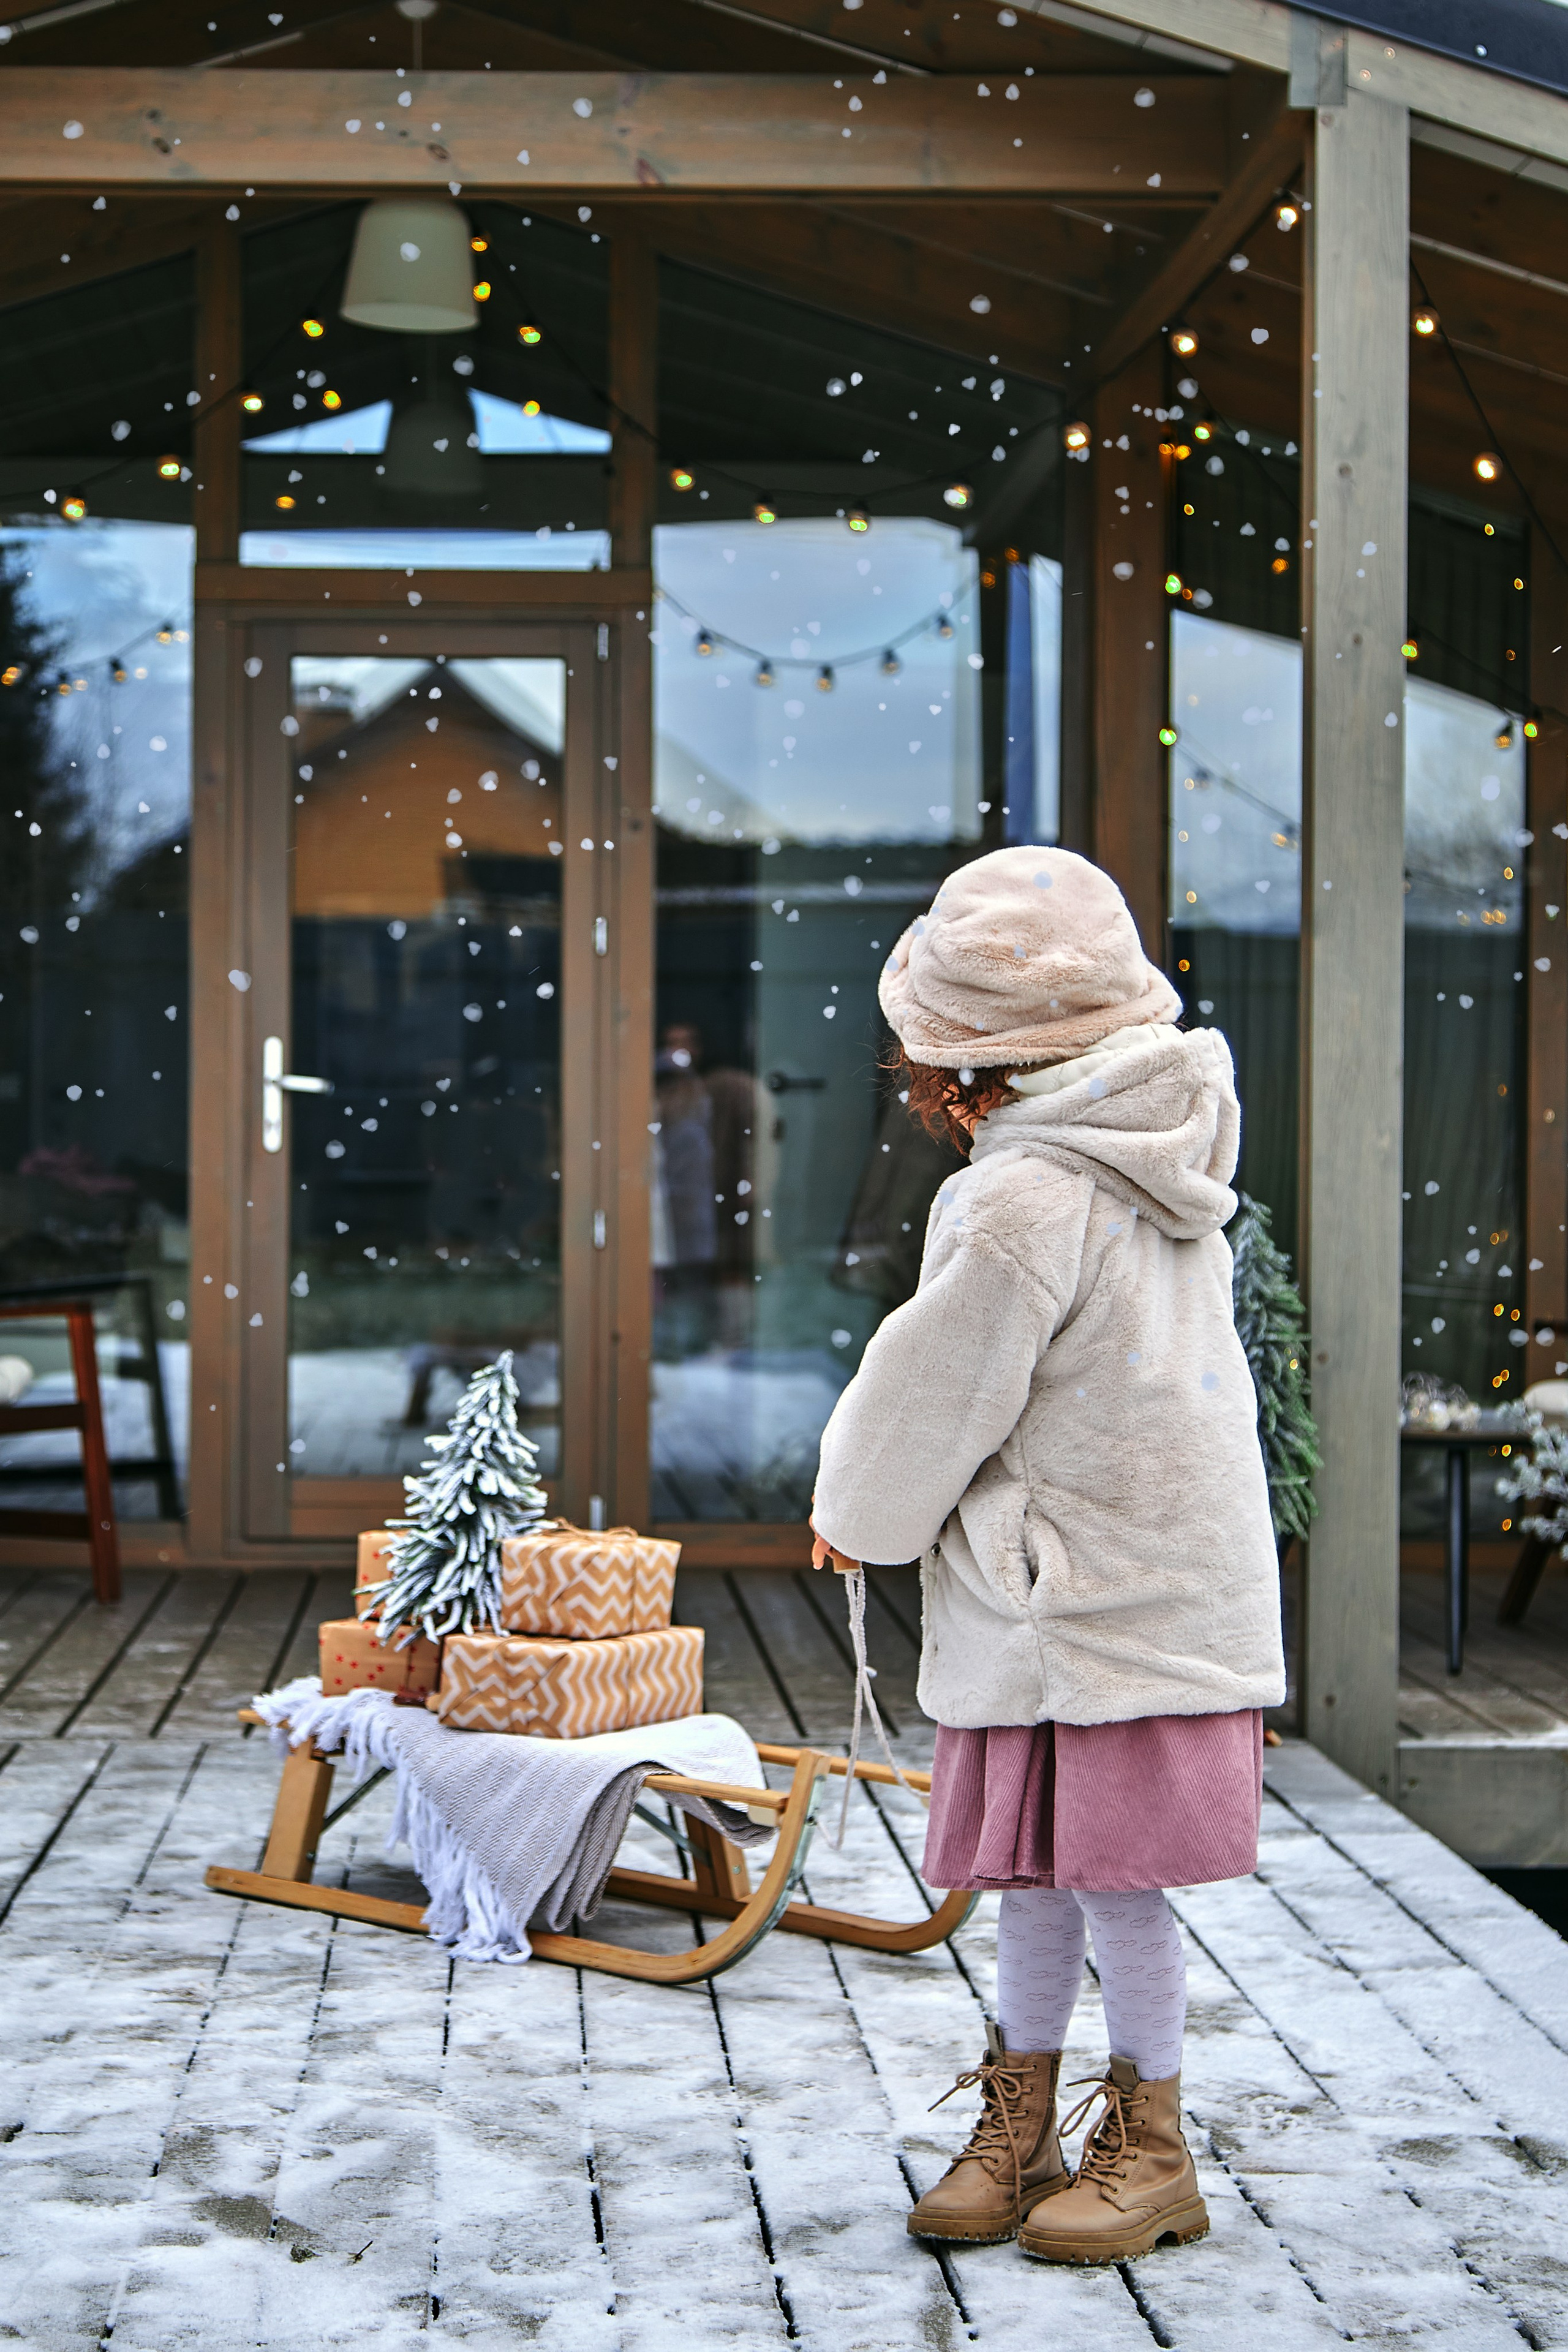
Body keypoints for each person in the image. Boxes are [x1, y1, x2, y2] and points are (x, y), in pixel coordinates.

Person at [809, 844, 1283, 2267]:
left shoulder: (1019, 1196)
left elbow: (936, 1383)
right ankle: (1020, 2120)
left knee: (1108, 1881)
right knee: (1042, 1874)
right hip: (1128, 1588)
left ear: (957, 1067)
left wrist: (858, 1513)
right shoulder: (1156, 1162)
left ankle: (1150, 2141)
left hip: (1073, 1602)